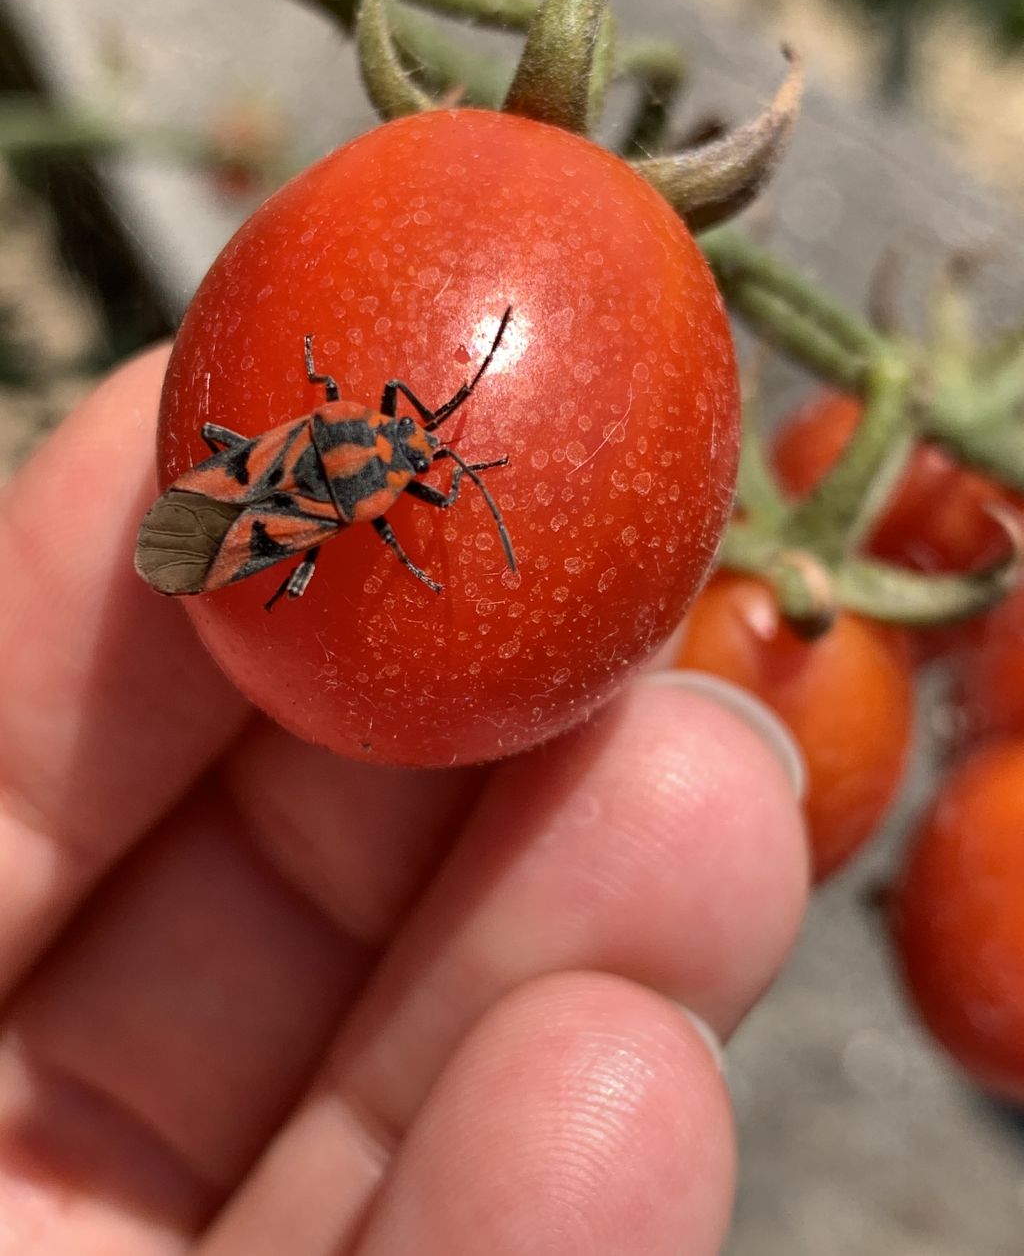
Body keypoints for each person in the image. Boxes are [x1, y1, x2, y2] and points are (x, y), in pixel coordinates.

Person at [0, 347, 808, 1254]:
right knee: (275, 560)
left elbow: (374, 425)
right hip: (298, 502)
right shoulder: (372, 498)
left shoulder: (346, 427)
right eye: (416, 439)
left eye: (417, 448)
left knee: (238, 498)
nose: (420, 442)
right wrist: (420, 561)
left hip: (272, 466)